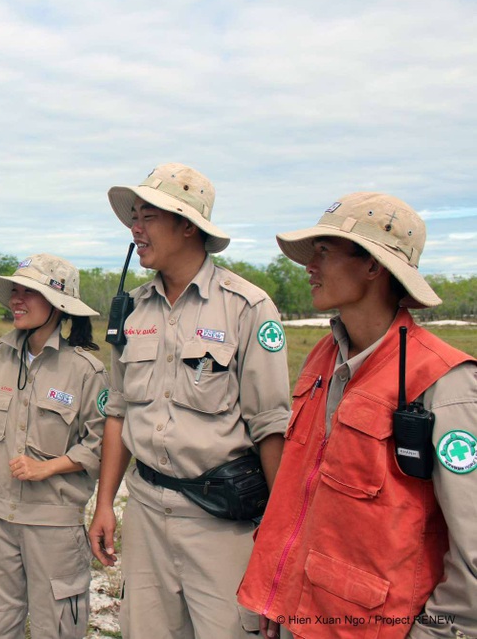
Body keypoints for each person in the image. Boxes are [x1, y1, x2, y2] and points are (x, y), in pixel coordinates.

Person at [238, 192, 477, 639]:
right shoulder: (323, 359)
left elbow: (472, 552)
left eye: (324, 252)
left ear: (373, 265)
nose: (310, 266)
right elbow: (300, 496)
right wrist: (279, 598)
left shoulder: (443, 383)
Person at [88, 163, 292, 638]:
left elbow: (271, 426)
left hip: (221, 521)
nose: (135, 229)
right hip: (144, 510)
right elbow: (118, 411)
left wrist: (278, 537)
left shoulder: (247, 307)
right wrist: (105, 505)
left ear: (187, 226)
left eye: (147, 217)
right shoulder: (133, 308)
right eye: (133, 217)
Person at [0, 253, 108, 639]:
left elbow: (101, 443)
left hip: (53, 527)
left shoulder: (86, 371)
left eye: (30, 292)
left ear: (58, 305)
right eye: (15, 291)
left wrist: (49, 467)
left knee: (55, 627)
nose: (17, 300)